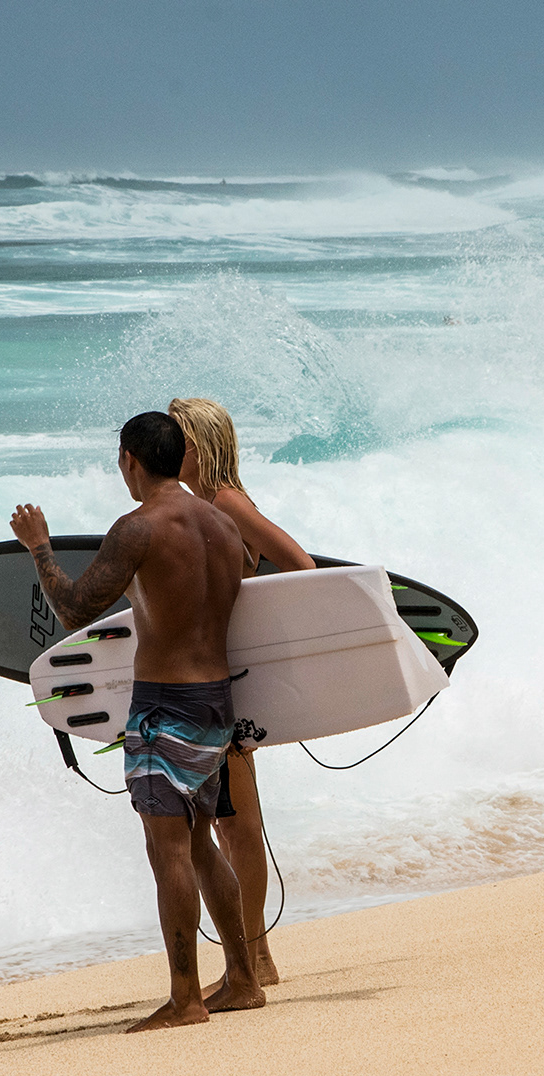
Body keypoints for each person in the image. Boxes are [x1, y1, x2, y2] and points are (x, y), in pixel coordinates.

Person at [9, 411, 266, 1032]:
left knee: (167, 847)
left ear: (130, 460)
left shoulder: (138, 528)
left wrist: (39, 546)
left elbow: (74, 611)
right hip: (216, 705)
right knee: (202, 838)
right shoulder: (224, 525)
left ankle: (185, 997)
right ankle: (242, 978)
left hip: (164, 707)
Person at [168, 397, 316, 988]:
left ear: (200, 445)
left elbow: (303, 569)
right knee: (231, 822)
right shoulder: (198, 505)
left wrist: (260, 644)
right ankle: (259, 957)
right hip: (216, 680)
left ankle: (253, 957)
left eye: (178, 440)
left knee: (237, 825)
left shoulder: (227, 502)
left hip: (229, 684)